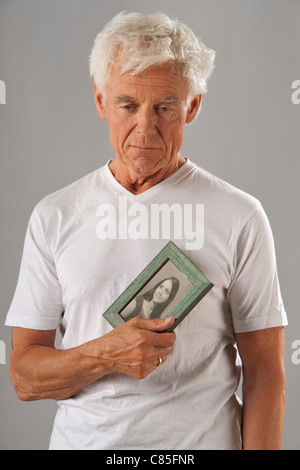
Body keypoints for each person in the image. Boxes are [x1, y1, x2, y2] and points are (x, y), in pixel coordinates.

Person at [5, 12, 287, 450]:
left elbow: (267, 372)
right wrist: (103, 353)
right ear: (100, 101)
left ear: (191, 107)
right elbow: (24, 377)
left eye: (165, 108)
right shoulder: (55, 215)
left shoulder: (240, 216)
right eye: (127, 105)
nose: (145, 128)